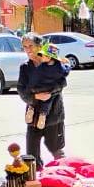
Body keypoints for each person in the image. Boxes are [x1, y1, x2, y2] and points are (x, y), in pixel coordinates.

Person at [17, 32, 68, 162]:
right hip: (33, 114)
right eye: (25, 46)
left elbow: (62, 83)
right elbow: (21, 89)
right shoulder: (25, 67)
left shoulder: (53, 62)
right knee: (32, 154)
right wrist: (35, 96)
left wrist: (49, 93)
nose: (28, 50)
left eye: (31, 46)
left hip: (53, 113)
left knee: (56, 148)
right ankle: (34, 179)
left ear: (40, 46)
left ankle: (63, 174)